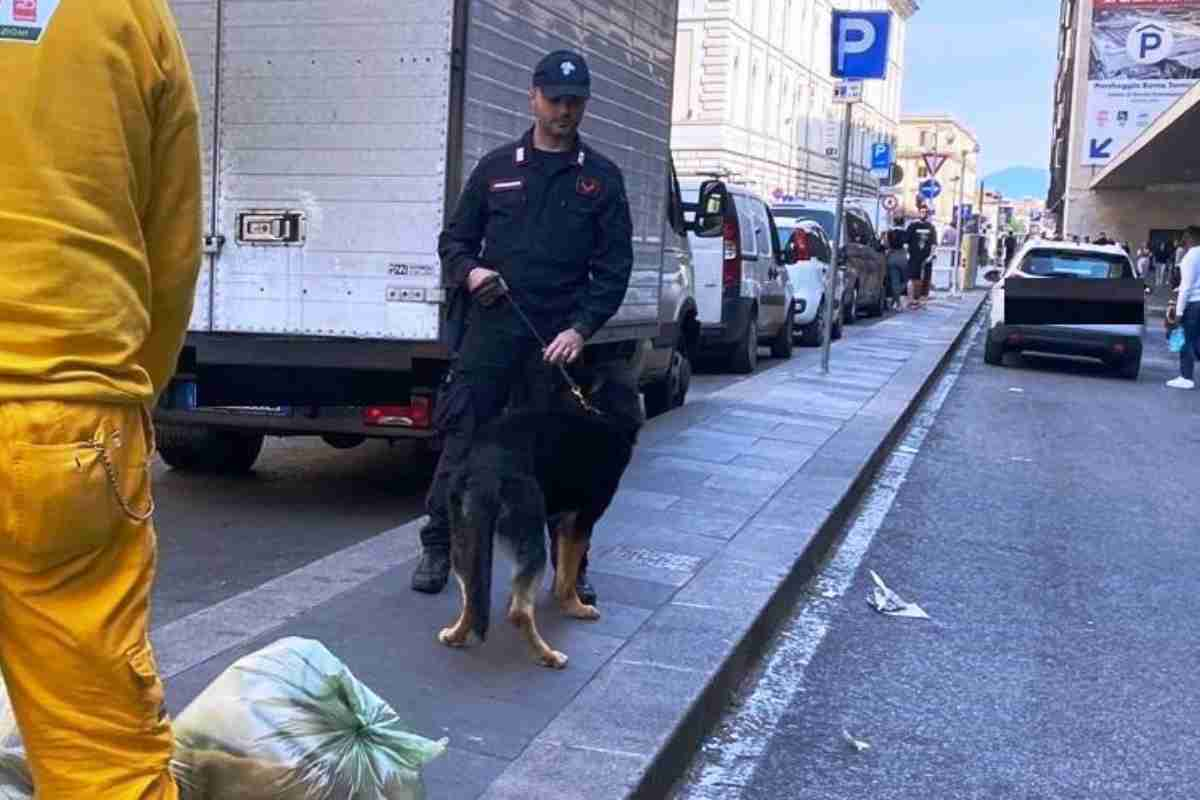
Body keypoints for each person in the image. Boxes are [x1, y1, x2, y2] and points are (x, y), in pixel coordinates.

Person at [0, 2, 202, 797]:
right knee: (104, 757)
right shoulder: (128, 14)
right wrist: (126, 396)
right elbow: (172, 244)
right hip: (72, 419)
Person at [412, 50, 634, 603]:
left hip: (557, 341)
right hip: (493, 330)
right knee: (463, 439)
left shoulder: (601, 180)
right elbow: (454, 242)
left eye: (575, 101)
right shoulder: (496, 168)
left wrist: (582, 328)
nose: (564, 110)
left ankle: (570, 566)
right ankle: (438, 543)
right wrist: (471, 273)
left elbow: (613, 268)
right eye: (555, 100)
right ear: (533, 97)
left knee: (562, 455)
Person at [1166, 226, 1200, 390]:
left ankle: (1186, 377)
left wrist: (1179, 312)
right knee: (1197, 341)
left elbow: (1186, 286)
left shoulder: (1190, 257)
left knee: (1186, 340)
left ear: (1189, 237)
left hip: (1194, 304)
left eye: (1184, 237)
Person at [904, 207, 937, 309]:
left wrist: (930, 256)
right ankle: (911, 300)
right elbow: (906, 242)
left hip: (926, 259)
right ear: (918, 213)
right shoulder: (912, 226)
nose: (923, 214)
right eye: (921, 212)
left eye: (925, 212)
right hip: (913, 257)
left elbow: (933, 244)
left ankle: (921, 302)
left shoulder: (931, 227)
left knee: (925, 281)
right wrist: (907, 254)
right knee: (912, 279)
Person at [884, 217, 908, 310]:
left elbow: (886, 245)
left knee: (895, 281)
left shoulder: (890, 232)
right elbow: (907, 245)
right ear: (903, 223)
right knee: (906, 280)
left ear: (894, 222)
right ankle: (897, 299)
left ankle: (896, 301)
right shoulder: (906, 233)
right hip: (903, 257)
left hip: (892, 256)